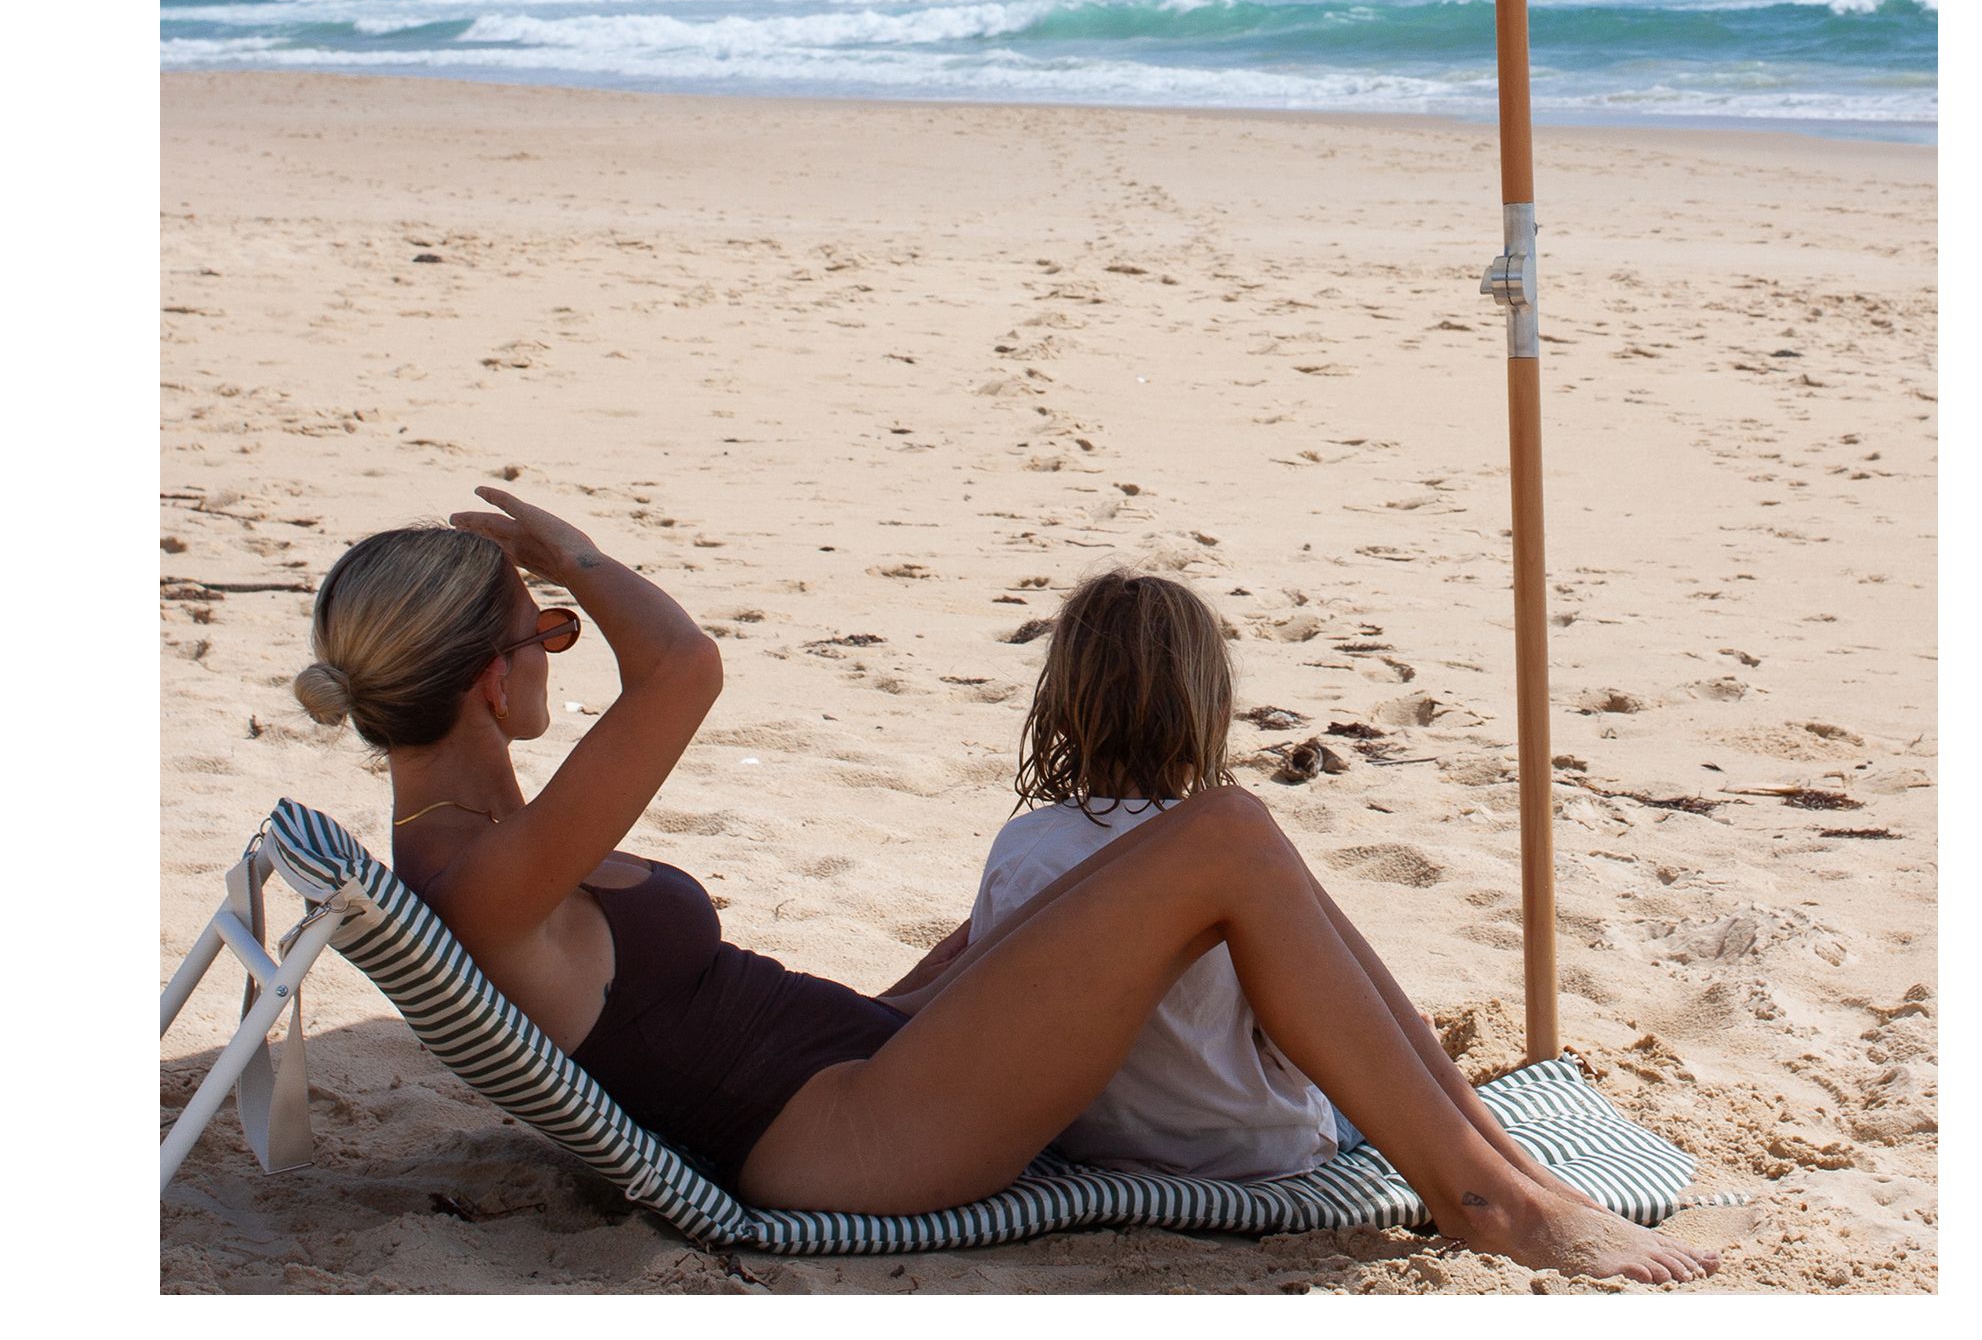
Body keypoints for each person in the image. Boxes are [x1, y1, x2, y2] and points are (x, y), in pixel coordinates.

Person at [293, 485, 1718, 1284]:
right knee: (1223, 830)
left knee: (1161, 863)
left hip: (861, 1061)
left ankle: (1485, 1148)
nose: (561, 638)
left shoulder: (483, 840)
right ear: (491, 679)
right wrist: (580, 557)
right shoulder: (485, 872)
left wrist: (939, 975)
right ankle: (1491, 1198)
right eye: (544, 630)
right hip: (860, 1136)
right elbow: (683, 669)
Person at [970, 569, 1339, 1181]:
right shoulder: (1236, 861)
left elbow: (987, 1017)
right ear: (1217, 711)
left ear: (1057, 710)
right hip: (1252, 1150)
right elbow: (1304, 1043)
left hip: (1083, 1142)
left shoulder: (1024, 849)